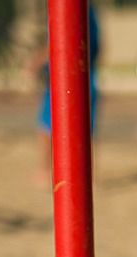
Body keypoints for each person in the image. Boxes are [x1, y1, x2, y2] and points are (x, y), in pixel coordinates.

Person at [29, 4, 101, 188]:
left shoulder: (65, 7)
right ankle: (88, 175)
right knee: (85, 129)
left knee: (45, 125)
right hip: (88, 76)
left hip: (64, 80)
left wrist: (37, 60)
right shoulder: (88, 9)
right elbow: (99, 45)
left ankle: (45, 172)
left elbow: (60, 40)